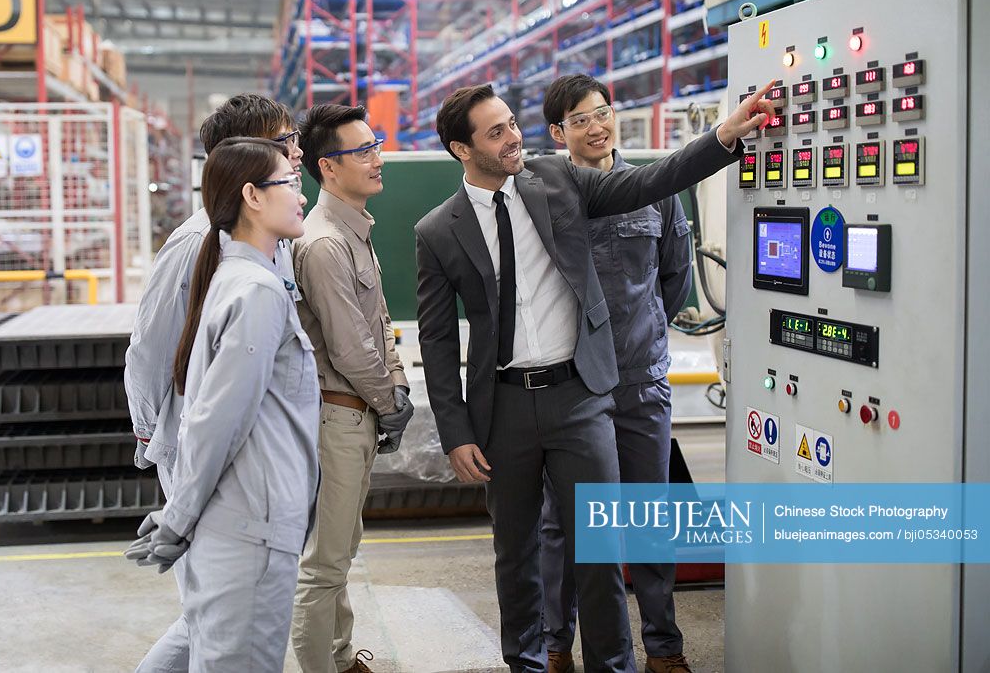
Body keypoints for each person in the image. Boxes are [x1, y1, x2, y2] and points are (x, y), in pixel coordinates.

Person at [413, 81, 773, 673]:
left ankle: (616, 664)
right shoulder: (437, 231)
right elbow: (436, 337)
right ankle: (527, 661)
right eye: (496, 131)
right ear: (461, 148)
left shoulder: (557, 182)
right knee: (518, 554)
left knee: (599, 550)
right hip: (501, 408)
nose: (513, 139)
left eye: (512, 123)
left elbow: (646, 182)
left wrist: (725, 136)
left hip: (579, 398)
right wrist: (456, 431)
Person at [123, 94, 303, 673]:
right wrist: (154, 438)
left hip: (234, 464)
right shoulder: (204, 248)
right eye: (284, 146)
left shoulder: (252, 254)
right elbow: (153, 352)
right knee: (223, 623)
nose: (298, 157)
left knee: (209, 620)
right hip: (217, 467)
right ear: (247, 171)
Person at [538, 75, 694, 673]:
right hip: (574, 386)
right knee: (567, 523)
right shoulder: (549, 196)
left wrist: (642, 336)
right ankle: (558, 644)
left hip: (640, 379)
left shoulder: (656, 192)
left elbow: (674, 279)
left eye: (603, 113)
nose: (597, 126)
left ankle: (663, 646)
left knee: (650, 514)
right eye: (580, 119)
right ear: (558, 133)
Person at [289, 105, 414, 673]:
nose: (376, 158)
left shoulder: (352, 231)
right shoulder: (322, 244)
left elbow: (376, 324)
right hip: (340, 416)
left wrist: (395, 389)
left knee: (341, 550)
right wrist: (390, 402)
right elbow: (348, 346)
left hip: (357, 413)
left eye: (376, 144)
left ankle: (339, 657)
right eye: (361, 150)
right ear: (327, 168)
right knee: (323, 564)